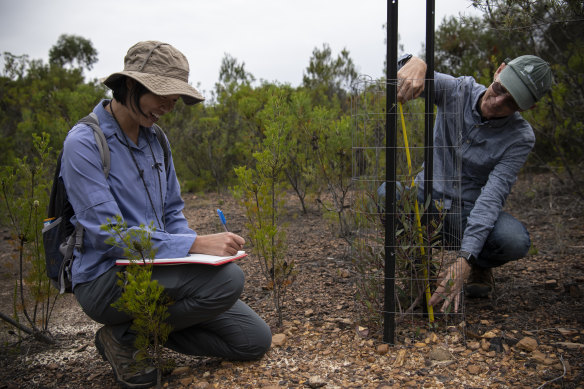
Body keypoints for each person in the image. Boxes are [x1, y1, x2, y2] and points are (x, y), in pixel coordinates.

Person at [61, 41, 272, 388]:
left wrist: (196, 252)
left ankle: (134, 334)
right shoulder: (84, 142)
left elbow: (172, 212)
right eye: (162, 95)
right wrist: (195, 245)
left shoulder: (156, 139)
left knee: (252, 339)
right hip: (104, 279)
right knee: (229, 281)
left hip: (159, 268)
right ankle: (127, 340)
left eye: (174, 100)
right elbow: (109, 236)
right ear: (130, 84)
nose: (168, 107)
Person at [378, 53, 552, 313]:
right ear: (499, 71)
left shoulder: (520, 137)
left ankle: (479, 265)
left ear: (528, 108)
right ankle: (420, 272)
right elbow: (402, 73)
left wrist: (464, 259)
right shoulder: (457, 90)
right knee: (387, 193)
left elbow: (493, 197)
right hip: (426, 202)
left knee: (514, 240)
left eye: (512, 102)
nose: (499, 101)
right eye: (501, 89)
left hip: (468, 212)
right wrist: (417, 63)